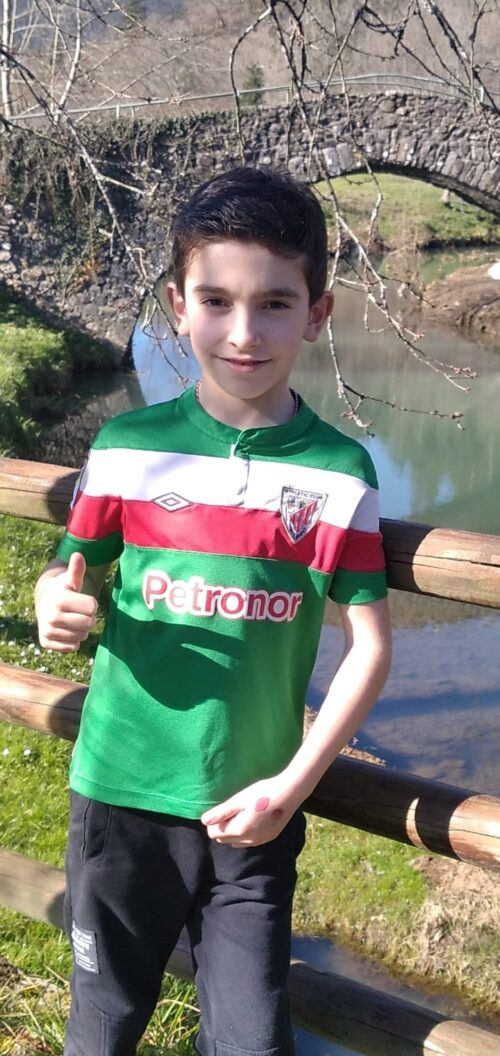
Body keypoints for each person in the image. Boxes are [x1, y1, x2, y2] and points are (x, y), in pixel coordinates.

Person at [35, 166, 392, 1056]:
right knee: (104, 1023)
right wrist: (54, 602)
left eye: (274, 303)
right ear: (177, 305)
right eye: (216, 300)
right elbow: (72, 572)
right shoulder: (128, 447)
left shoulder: (340, 473)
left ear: (318, 313)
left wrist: (289, 787)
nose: (243, 332)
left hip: (256, 813)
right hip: (118, 796)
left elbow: (370, 647)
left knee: (251, 1041)